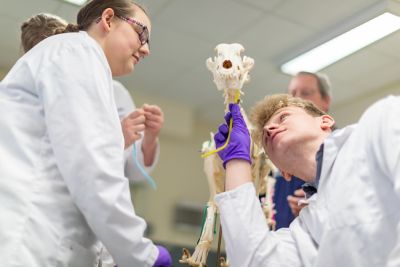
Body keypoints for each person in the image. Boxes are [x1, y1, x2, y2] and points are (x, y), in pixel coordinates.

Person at [0, 1, 171, 266]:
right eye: (142, 35)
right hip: (26, 242)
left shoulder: (85, 63)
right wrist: (143, 255)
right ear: (108, 19)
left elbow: (91, 167)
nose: (147, 49)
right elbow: (94, 171)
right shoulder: (77, 54)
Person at [213, 94, 399, 266]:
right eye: (265, 138)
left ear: (325, 121)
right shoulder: (306, 228)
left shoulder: (378, 124)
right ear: (284, 172)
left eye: (283, 116)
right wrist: (236, 160)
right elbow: (255, 260)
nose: (269, 129)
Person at [20, 13, 162, 186]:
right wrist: (118, 138)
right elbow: (57, 160)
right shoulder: (27, 100)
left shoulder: (115, 93)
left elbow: (135, 171)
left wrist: (149, 139)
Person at [273, 71, 332, 229]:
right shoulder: (276, 157)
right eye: (292, 94)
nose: (297, 99)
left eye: (306, 93)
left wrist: (316, 213)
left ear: (326, 101)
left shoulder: (345, 150)